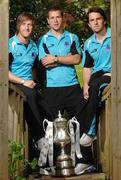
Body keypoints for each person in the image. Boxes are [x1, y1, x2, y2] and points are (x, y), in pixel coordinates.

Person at [38, 6, 95, 175]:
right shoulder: (43, 40)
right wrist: (66, 59)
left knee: (79, 124)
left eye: (58, 17)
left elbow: (77, 59)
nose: (55, 20)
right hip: (52, 89)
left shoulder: (72, 37)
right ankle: (47, 165)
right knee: (50, 127)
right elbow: (44, 62)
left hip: (72, 87)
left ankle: (84, 162)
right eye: (52, 18)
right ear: (48, 21)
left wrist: (55, 58)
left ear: (63, 19)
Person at [9, 12, 52, 155]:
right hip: (14, 84)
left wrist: (32, 81)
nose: (27, 28)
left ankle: (49, 149)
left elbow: (34, 67)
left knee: (47, 107)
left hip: (28, 85)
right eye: (24, 24)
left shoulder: (34, 46)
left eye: (30, 25)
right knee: (31, 96)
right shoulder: (10, 44)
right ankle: (39, 138)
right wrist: (23, 81)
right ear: (18, 26)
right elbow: (3, 71)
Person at [80, 7, 111, 148]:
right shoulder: (88, 43)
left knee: (96, 86)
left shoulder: (115, 35)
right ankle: (84, 158)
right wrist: (85, 84)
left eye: (98, 19)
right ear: (89, 24)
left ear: (104, 20)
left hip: (113, 74)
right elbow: (87, 67)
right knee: (84, 94)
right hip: (97, 75)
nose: (95, 22)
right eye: (92, 20)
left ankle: (91, 132)